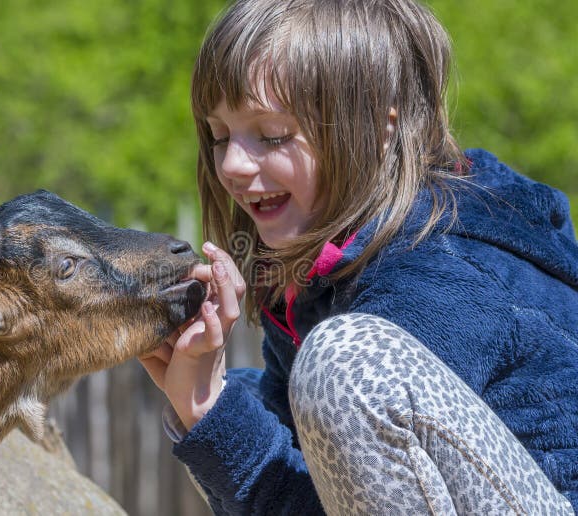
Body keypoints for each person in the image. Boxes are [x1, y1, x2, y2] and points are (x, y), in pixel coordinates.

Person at [137, 0, 578, 514]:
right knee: (247, 399)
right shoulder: (312, 268)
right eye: (218, 135)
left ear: (378, 126)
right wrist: (208, 402)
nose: (231, 164)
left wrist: (208, 412)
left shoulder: (437, 275)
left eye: (272, 135)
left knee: (340, 364)